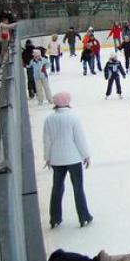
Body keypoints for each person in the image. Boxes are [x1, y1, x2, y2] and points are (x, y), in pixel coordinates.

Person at [43, 92, 92, 228]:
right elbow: (79, 139)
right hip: (73, 158)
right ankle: (83, 216)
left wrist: (47, 157)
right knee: (78, 187)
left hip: (57, 159)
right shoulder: (73, 118)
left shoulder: (49, 119)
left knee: (57, 188)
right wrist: (86, 155)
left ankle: (55, 218)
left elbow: (46, 140)